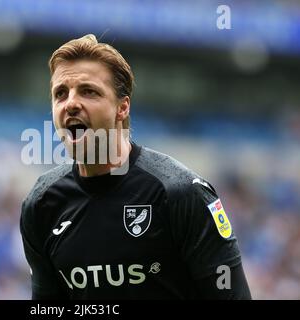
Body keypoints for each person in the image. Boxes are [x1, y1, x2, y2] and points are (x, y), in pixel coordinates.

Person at [20, 34, 252, 299]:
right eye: (60, 93)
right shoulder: (41, 205)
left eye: (88, 91)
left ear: (122, 107)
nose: (71, 103)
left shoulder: (181, 194)